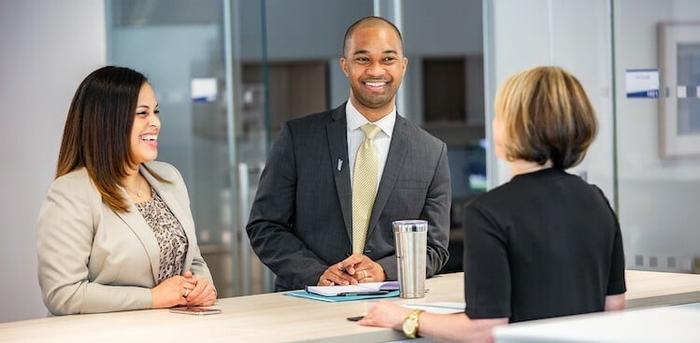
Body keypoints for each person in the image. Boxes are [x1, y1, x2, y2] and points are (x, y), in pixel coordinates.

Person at [358, 66, 627, 341]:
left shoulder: (489, 212)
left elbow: (485, 329)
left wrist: (405, 317)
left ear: (515, 127)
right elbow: (614, 308)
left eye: (500, 115)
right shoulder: (597, 201)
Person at [246, 16, 451, 291]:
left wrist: (382, 270)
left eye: (388, 59)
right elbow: (265, 226)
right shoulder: (299, 138)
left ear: (403, 66)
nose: (376, 71)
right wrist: (316, 273)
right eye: (363, 59)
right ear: (345, 65)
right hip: (306, 303)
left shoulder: (431, 152)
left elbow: (435, 248)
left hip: (388, 303)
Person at [37, 66, 217, 315]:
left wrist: (202, 287)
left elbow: (193, 260)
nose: (155, 122)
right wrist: (152, 298)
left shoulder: (169, 178)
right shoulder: (70, 193)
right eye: (142, 113)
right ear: (108, 121)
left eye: (155, 112)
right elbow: (63, 293)